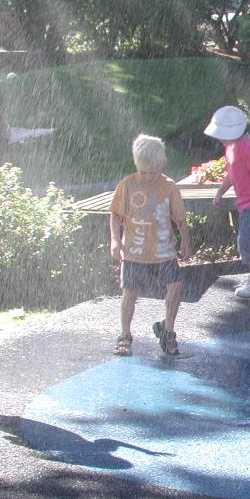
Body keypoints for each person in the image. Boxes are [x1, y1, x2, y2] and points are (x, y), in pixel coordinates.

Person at [109, 134, 191, 357]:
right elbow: (115, 215)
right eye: (143, 172)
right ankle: (125, 334)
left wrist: (185, 239)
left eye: (153, 172)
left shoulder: (169, 187)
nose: (148, 177)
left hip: (164, 251)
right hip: (134, 252)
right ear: (137, 166)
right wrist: (115, 240)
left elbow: (180, 218)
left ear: (162, 164)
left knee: (176, 287)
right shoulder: (127, 185)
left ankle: (168, 330)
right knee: (129, 293)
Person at [205, 105, 250, 299]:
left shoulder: (245, 148)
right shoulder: (230, 147)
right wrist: (220, 192)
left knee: (246, 243)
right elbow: (231, 173)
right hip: (246, 204)